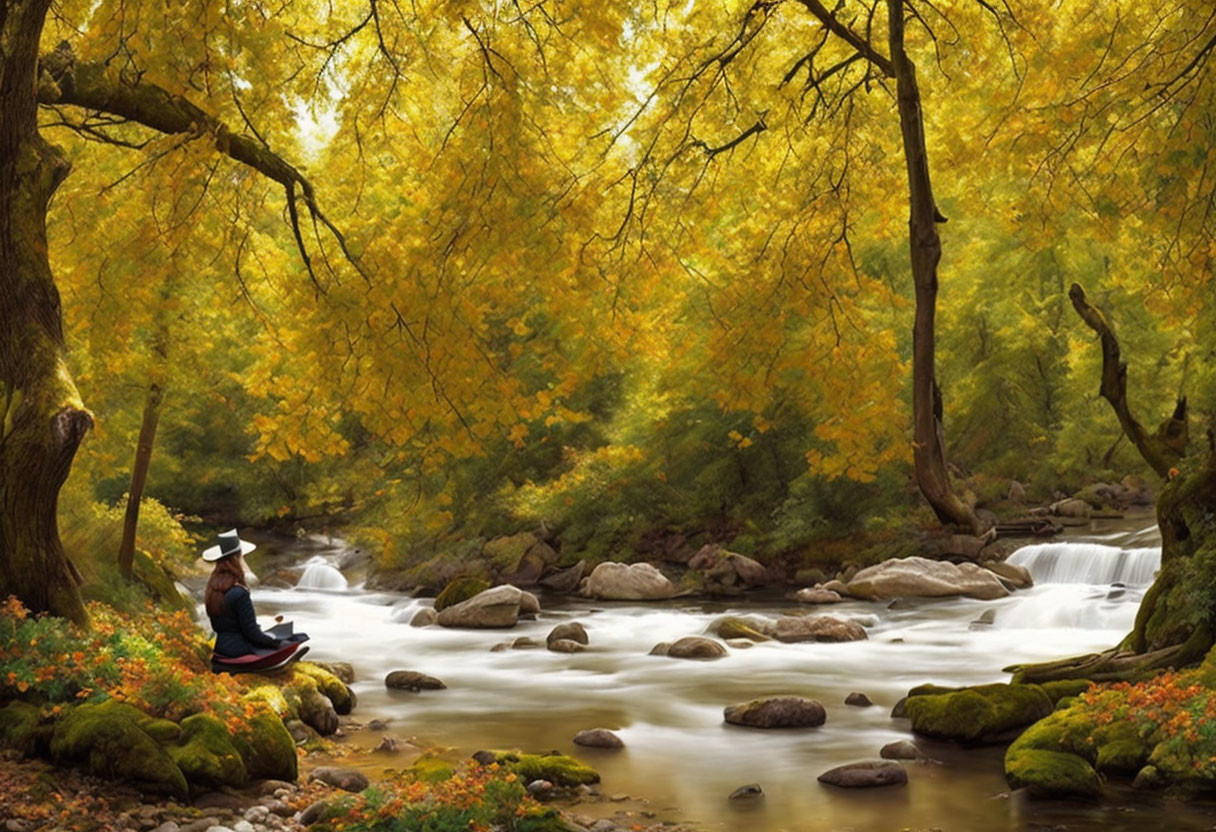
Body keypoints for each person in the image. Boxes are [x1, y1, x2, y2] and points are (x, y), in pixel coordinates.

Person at [203, 529, 307, 672]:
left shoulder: (212, 587)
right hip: (239, 652)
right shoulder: (239, 592)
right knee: (293, 639)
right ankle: (269, 665)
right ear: (238, 558)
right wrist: (274, 642)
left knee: (274, 635)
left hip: (220, 649)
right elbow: (251, 632)